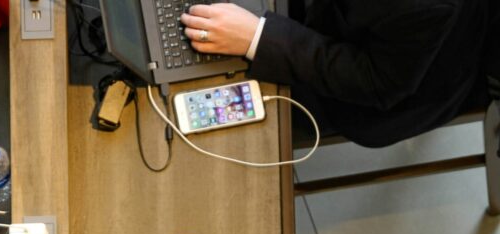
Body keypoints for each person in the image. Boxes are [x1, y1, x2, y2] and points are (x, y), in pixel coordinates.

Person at [180, 1, 494, 147]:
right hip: (339, 22)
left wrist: (258, 38)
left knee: (227, 138)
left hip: (370, 86)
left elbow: (376, 83)